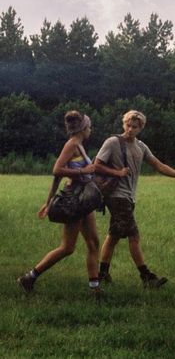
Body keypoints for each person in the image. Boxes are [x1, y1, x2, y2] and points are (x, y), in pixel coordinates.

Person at [94, 110, 175, 288]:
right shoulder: (112, 142)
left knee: (114, 236)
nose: (130, 129)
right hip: (117, 196)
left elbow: (158, 165)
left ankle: (102, 273)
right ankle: (147, 277)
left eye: (135, 126)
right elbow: (97, 165)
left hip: (129, 197)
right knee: (134, 236)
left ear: (141, 128)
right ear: (123, 124)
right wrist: (117, 172)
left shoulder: (141, 146)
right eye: (127, 125)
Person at [18, 110, 101, 297]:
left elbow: (60, 176)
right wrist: (84, 171)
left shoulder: (79, 146)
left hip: (83, 198)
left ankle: (95, 288)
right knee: (67, 247)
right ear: (83, 128)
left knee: (93, 242)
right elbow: (57, 170)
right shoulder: (71, 145)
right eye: (89, 126)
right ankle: (29, 278)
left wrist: (48, 202)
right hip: (74, 200)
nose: (91, 129)